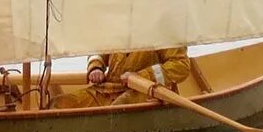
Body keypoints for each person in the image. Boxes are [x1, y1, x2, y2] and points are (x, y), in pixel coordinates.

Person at [51, 47, 190, 109]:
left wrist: (142, 77)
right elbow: (99, 51)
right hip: (107, 89)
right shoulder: (118, 23)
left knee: (117, 110)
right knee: (60, 103)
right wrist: (96, 67)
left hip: (145, 91)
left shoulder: (161, 27)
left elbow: (181, 65)